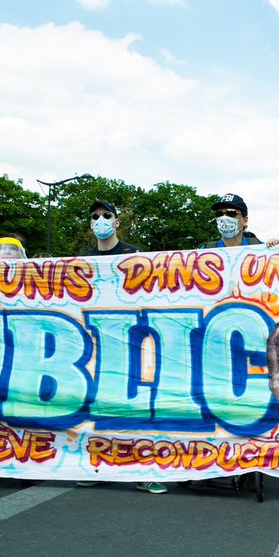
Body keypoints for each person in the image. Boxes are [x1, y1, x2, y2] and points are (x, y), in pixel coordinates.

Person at [74, 203, 165, 494]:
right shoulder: (82, 260)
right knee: (98, 407)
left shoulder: (133, 254)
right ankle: (99, 465)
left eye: (106, 216)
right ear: (90, 224)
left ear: (116, 222)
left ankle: (143, 471)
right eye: (95, 217)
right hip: (95, 344)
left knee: (135, 407)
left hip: (131, 342)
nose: (101, 220)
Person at [203, 194, 279, 248]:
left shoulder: (261, 249)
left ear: (245, 220)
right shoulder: (204, 253)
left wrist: (277, 252)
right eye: (219, 213)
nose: (224, 217)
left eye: (231, 213)